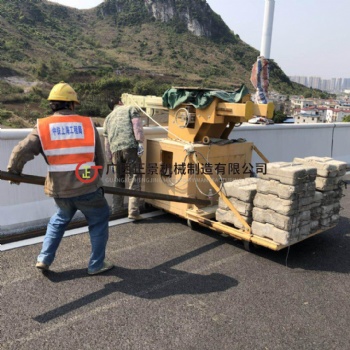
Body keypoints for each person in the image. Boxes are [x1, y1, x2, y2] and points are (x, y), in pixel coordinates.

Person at [7, 82, 113, 275]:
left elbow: (21, 150)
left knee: (60, 219)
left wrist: (14, 172)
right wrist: (96, 181)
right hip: (87, 187)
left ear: (52, 105)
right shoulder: (88, 124)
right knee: (98, 220)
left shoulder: (43, 126)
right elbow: (99, 158)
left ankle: (44, 258)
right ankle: (96, 264)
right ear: (72, 104)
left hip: (60, 189)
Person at [103, 97, 145, 220]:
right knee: (134, 177)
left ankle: (116, 209)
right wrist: (140, 142)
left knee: (119, 179)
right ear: (120, 102)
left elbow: (106, 142)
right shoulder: (130, 108)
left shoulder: (108, 118)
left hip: (115, 151)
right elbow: (136, 125)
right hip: (130, 147)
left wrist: (109, 158)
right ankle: (133, 211)